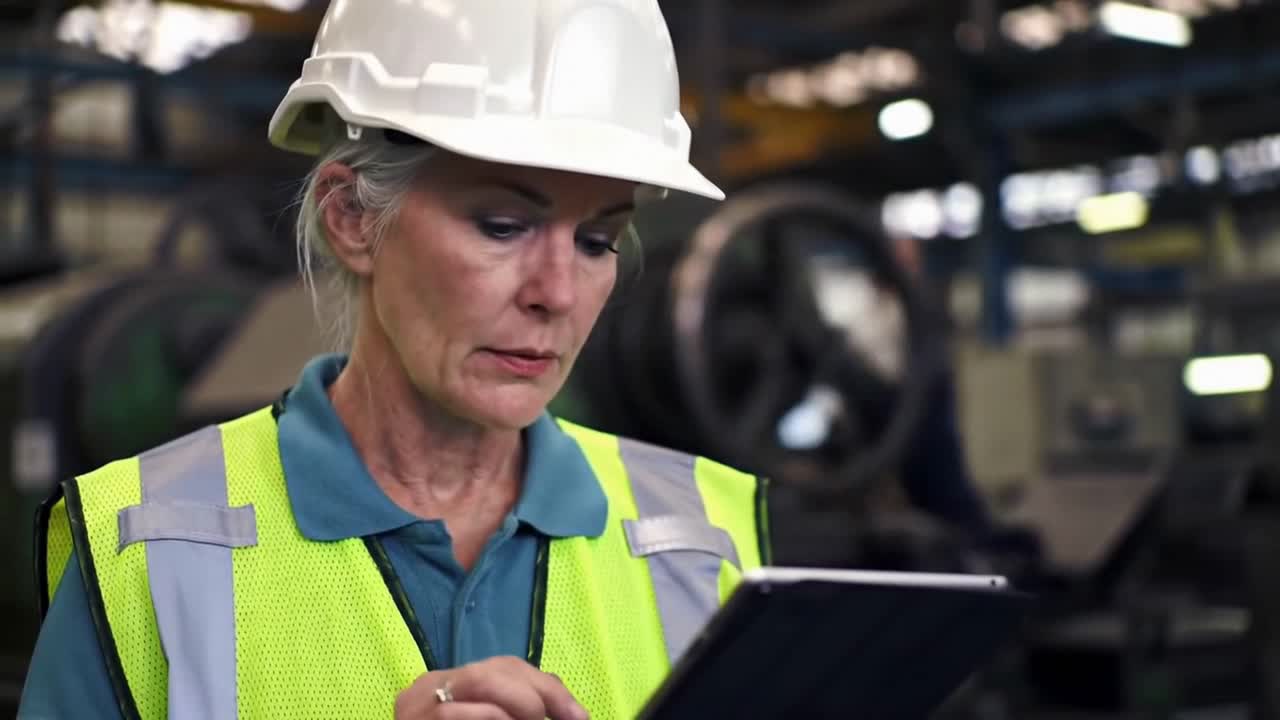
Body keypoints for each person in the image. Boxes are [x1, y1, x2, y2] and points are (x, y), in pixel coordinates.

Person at [18, 2, 768, 719]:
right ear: (349, 219)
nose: (558, 293)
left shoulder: (707, 539)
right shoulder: (148, 546)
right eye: (503, 226)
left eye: (597, 241)